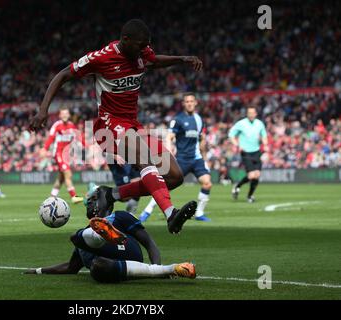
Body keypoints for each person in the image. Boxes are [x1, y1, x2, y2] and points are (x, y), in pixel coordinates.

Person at [29, 19, 203, 234]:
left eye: (146, 45)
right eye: (140, 45)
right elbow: (63, 74)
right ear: (125, 40)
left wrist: (181, 59)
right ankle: (170, 214)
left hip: (133, 125)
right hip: (110, 125)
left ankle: (110, 194)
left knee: (174, 176)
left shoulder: (141, 52)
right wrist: (43, 110)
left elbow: (154, 61)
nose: (144, 49)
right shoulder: (101, 58)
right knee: (145, 160)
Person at [24, 192, 196, 283]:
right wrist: (39, 270)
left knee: (76, 238)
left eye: (94, 199)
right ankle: (174, 268)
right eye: (89, 200)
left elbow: (148, 242)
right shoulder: (83, 243)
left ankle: (102, 234)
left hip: (129, 252)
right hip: (109, 266)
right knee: (97, 265)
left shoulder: (121, 215)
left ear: (106, 203)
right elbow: (71, 267)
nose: (89, 203)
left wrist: (156, 267)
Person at [140, 93, 212, 222]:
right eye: (187, 101)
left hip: (196, 159)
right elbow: (169, 136)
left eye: (191, 101)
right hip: (182, 159)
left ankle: (199, 213)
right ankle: (147, 210)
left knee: (207, 183)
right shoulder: (178, 119)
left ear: (195, 103)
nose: (189, 103)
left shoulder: (199, 119)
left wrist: (204, 157)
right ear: (184, 104)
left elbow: (201, 139)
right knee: (166, 186)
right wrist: (169, 153)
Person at [41, 107, 84, 204]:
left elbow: (78, 137)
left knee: (61, 178)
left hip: (66, 155)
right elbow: (51, 137)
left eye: (66, 113)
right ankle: (74, 196)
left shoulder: (71, 126)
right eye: (62, 114)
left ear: (69, 115)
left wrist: (86, 145)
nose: (64, 115)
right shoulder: (57, 125)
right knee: (68, 174)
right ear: (60, 115)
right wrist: (45, 148)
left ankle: (51, 197)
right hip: (58, 153)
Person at [229, 107, 269, 203]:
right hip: (246, 152)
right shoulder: (241, 123)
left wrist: (266, 144)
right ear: (247, 114)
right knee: (251, 175)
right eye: (249, 113)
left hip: (256, 151)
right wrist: (237, 144)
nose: (251, 114)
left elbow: (264, 135)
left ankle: (250, 196)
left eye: (252, 113)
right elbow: (231, 134)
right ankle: (237, 186)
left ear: (256, 114)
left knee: (257, 175)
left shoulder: (259, 123)